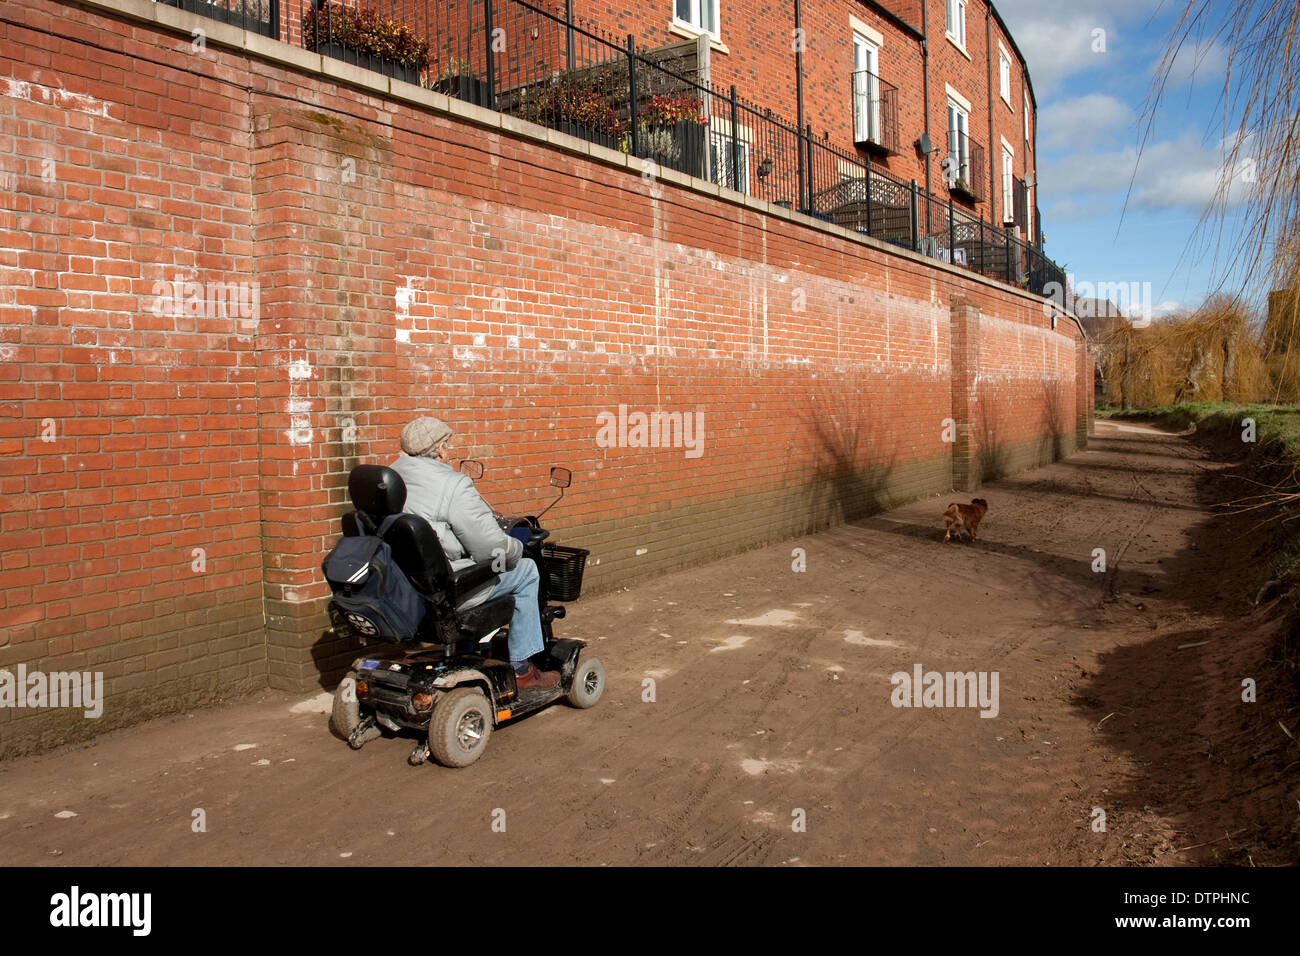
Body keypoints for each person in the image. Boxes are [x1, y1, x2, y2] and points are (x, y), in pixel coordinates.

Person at [390, 416, 559, 690]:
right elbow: (490, 548)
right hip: (446, 590)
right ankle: (521, 670)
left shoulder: (391, 475)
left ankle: (470, 647)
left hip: (405, 586)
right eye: (447, 444)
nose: (449, 450)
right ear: (440, 448)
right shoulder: (453, 484)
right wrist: (516, 547)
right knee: (526, 570)